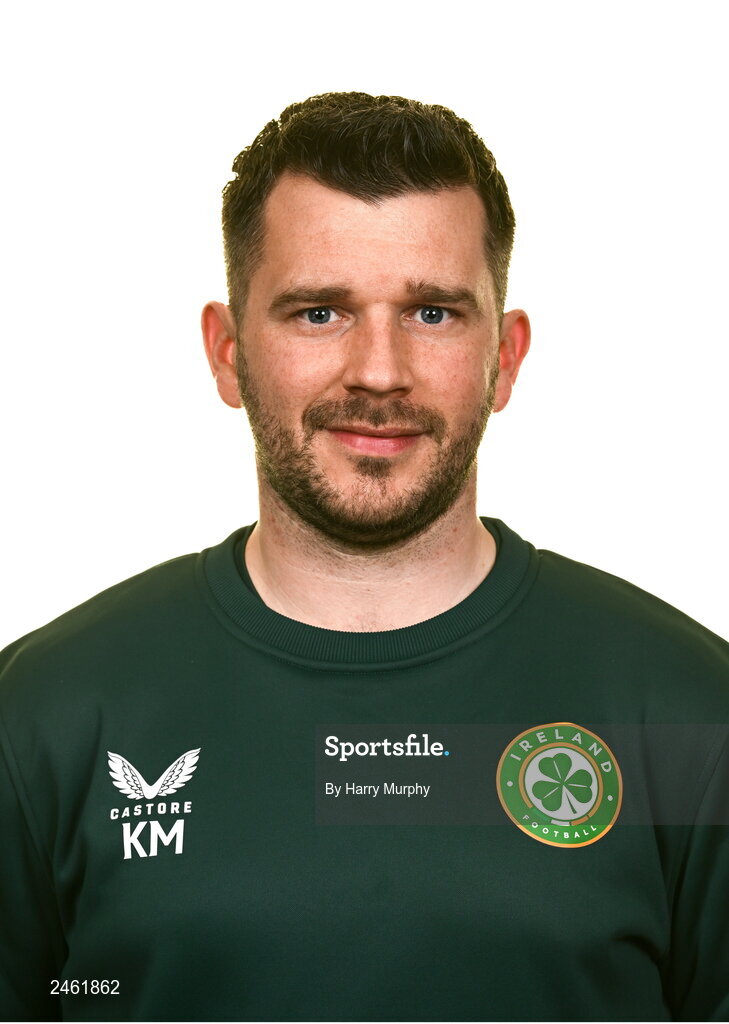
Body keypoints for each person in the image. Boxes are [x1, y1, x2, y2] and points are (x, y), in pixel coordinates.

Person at [0, 91, 727, 1024]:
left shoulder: (685, 715)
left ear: (503, 359)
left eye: (431, 313)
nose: (378, 371)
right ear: (228, 353)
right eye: (317, 313)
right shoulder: (46, 716)